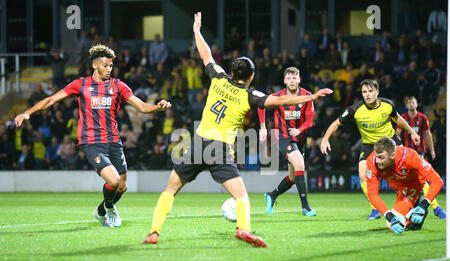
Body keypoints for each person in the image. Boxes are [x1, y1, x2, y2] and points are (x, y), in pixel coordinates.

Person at [142, 12, 333, 247]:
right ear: (251, 76)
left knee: (170, 189)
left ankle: (154, 231)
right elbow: (279, 101)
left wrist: (196, 31)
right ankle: (243, 229)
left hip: (198, 143)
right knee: (241, 196)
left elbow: (206, 55)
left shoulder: (218, 78)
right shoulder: (250, 95)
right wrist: (311, 96)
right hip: (221, 150)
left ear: (231, 72)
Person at [15, 44, 171, 228]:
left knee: (122, 187)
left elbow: (143, 107)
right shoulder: (80, 84)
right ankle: (110, 207)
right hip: (91, 142)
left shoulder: (118, 86)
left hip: (114, 141)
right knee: (112, 181)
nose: (109, 69)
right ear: (95, 65)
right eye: (105, 65)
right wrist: (28, 112)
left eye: (111, 66)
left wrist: (157, 106)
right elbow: (51, 99)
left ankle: (102, 210)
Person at [320, 79, 420, 220]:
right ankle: (375, 210)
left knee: (410, 170)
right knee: (362, 175)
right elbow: (336, 123)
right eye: (364, 92)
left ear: (377, 92)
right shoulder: (355, 109)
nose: (367, 95)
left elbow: (397, 119)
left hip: (390, 142)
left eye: (370, 91)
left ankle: (431, 205)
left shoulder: (388, 105)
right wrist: (325, 139)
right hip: (369, 146)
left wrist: (412, 132)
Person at [259, 67, 317, 216]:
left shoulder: (307, 96)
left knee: (293, 177)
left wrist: (300, 129)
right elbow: (261, 105)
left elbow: (310, 121)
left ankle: (271, 195)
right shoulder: (278, 97)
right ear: (284, 80)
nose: (292, 80)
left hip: (300, 139)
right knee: (300, 164)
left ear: (299, 79)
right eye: (289, 78)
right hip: (284, 137)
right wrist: (263, 127)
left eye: (294, 77)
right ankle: (305, 207)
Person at [366, 137, 444, 234]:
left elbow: (437, 181)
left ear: (393, 155)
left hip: (412, 185)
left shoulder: (409, 156)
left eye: (381, 157)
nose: (377, 161)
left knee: (390, 226)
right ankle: (413, 211)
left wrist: (423, 205)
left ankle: (418, 207)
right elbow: (372, 194)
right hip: (397, 185)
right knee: (392, 221)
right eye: (376, 156)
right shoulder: (371, 162)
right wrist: (389, 216)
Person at [396, 96, 445, 219]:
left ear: (417, 104)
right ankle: (425, 207)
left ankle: (435, 208)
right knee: (415, 181)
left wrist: (432, 150)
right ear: (406, 105)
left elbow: (428, 134)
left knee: (422, 179)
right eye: (409, 102)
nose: (411, 104)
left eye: (413, 102)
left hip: (420, 153)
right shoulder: (403, 118)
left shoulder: (422, 117)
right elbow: (397, 134)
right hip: (407, 155)